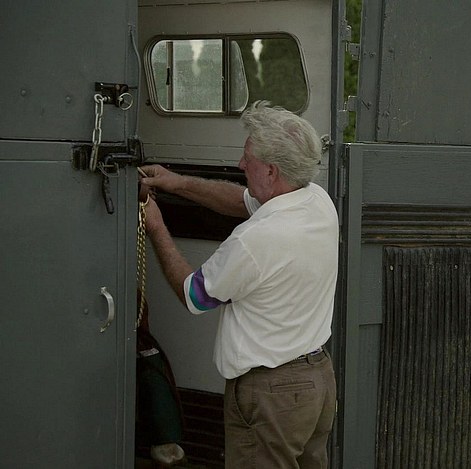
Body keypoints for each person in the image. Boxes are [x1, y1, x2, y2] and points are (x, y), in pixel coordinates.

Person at [139, 101, 338, 469]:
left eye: (248, 158)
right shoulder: (316, 200)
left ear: (271, 171)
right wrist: (176, 182)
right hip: (316, 382)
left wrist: (156, 225)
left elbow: (194, 295)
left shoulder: (254, 240)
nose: (240, 164)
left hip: (271, 393)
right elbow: (241, 200)